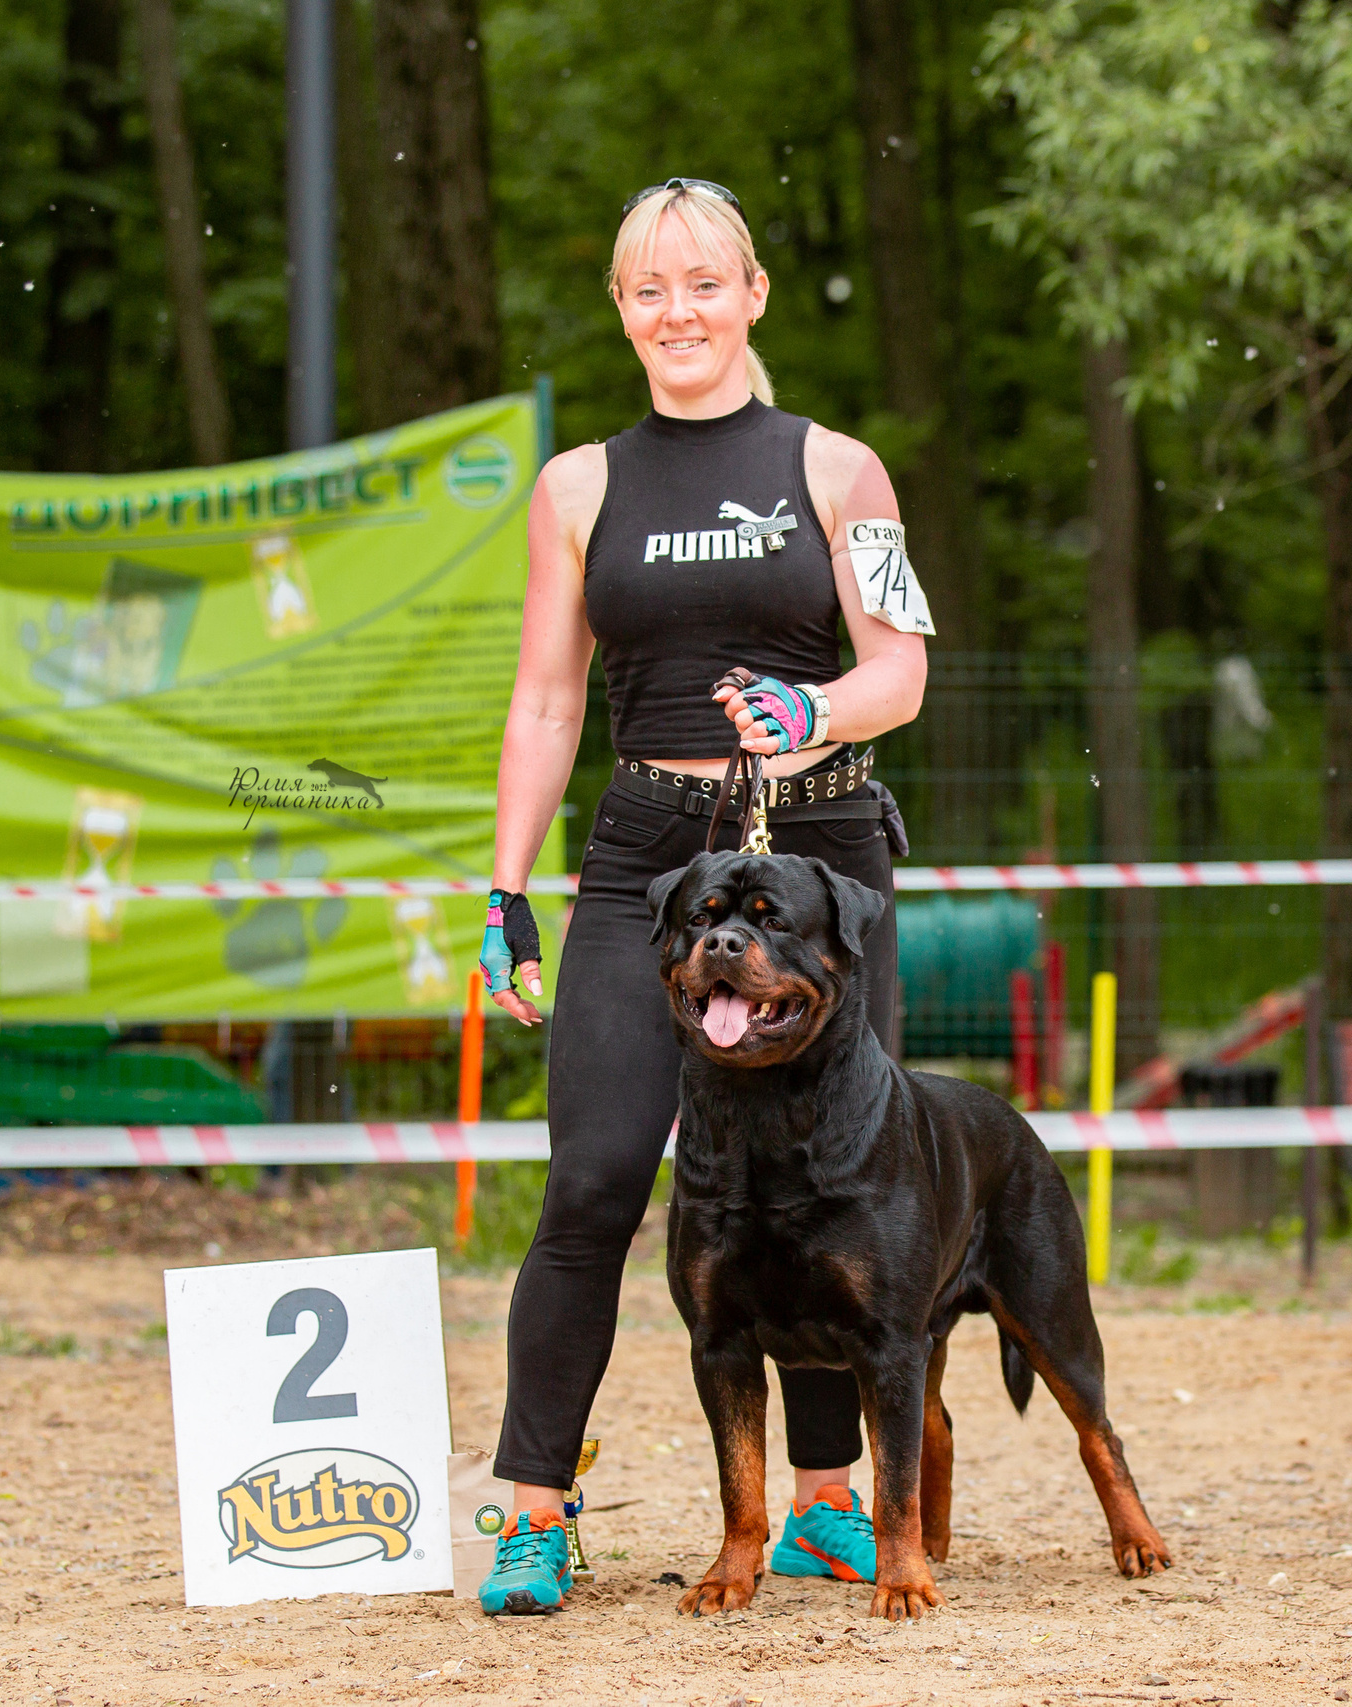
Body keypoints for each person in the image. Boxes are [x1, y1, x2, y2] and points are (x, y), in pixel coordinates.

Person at [472, 178, 934, 1614]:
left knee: (826, 1190)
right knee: (598, 1181)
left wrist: (812, 714)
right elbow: (548, 703)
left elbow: (903, 671)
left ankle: (822, 1506)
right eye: (647, 289)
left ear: (752, 295)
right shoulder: (576, 488)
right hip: (643, 866)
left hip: (822, 868)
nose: (677, 311)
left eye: (701, 283)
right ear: (622, 309)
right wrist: (505, 890)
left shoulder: (842, 469)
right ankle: (535, 1514)